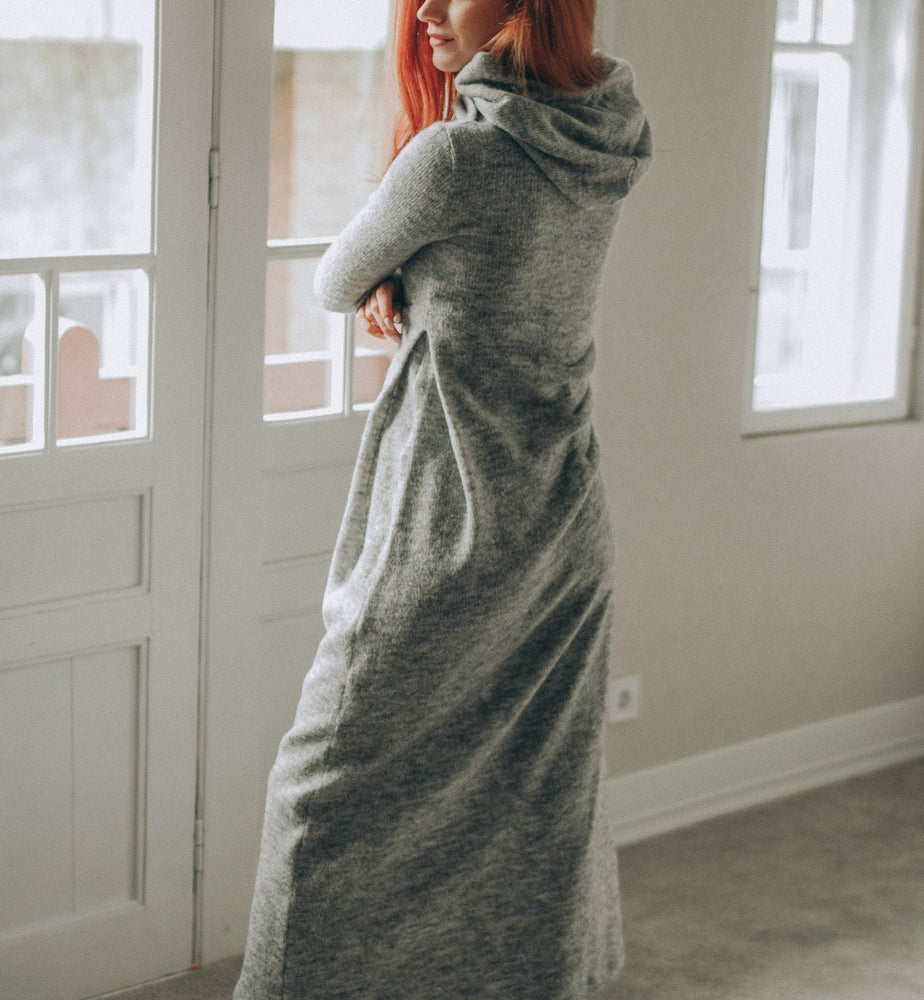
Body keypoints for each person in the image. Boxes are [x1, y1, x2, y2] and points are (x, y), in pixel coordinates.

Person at [233, 0, 651, 996]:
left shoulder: (454, 161)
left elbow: (340, 280)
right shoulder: (609, 129)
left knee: (317, 793)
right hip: (562, 530)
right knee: (537, 811)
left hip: (447, 532)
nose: (422, 11)